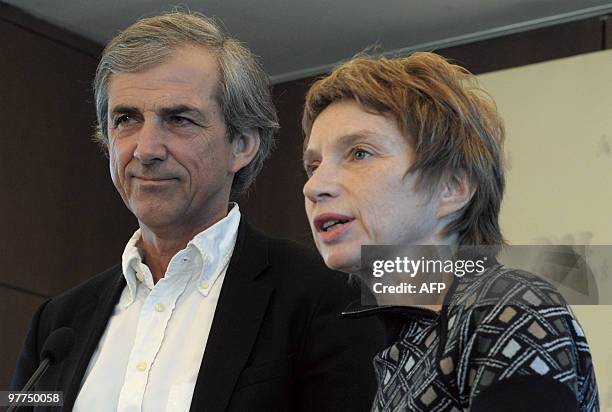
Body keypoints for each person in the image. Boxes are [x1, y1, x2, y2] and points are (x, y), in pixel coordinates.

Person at [10, 11, 384, 411]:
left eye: (179, 119)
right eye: (126, 119)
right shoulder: (57, 322)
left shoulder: (326, 293)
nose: (146, 148)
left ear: (242, 145)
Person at [301, 52, 599, 411]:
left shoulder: (506, 305)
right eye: (313, 165)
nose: (315, 185)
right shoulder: (403, 348)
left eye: (360, 153)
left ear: (452, 188)